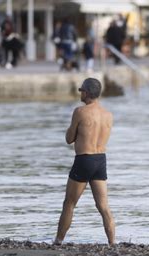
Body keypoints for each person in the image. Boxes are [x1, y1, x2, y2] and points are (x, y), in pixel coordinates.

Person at [54, 78, 115, 246]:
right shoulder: (108, 115)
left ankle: (58, 241)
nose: (80, 93)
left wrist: (71, 128)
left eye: (82, 90)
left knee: (69, 203)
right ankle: (112, 243)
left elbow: (69, 138)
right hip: (100, 160)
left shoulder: (80, 112)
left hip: (84, 159)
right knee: (103, 207)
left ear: (86, 93)